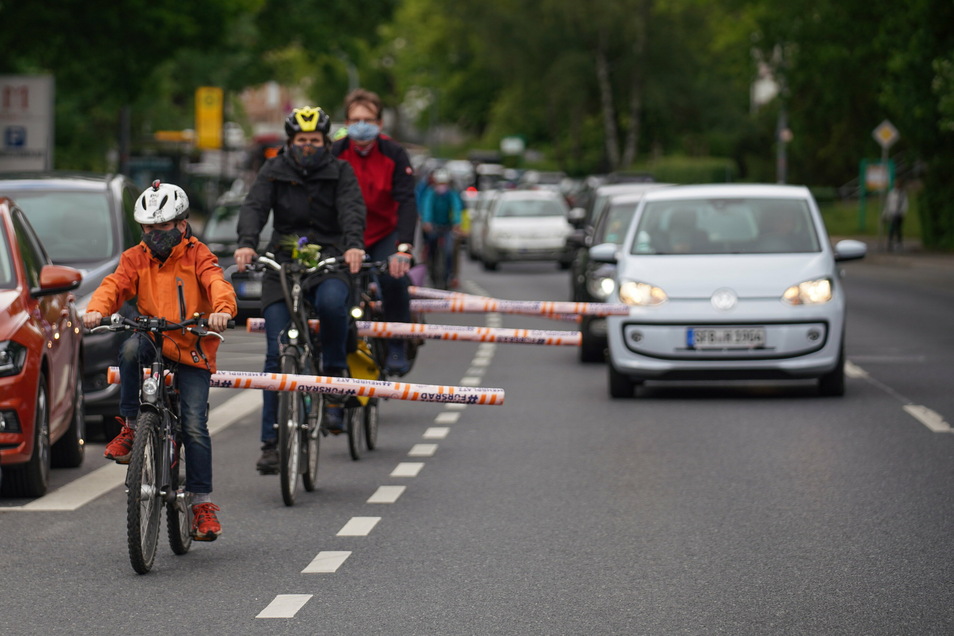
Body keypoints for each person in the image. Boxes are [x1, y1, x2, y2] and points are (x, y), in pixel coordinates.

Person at [82, 180, 236, 541]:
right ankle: (133, 426)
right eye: (148, 228)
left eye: (162, 227)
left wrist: (222, 311)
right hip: (152, 337)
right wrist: (95, 311)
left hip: (191, 346)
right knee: (130, 349)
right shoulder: (135, 257)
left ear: (182, 224)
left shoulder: (199, 254)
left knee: (195, 424)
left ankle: (201, 505)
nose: (154, 235)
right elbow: (113, 286)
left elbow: (217, 283)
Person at [234, 105, 366, 474]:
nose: (308, 146)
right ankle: (271, 444)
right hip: (284, 261)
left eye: (315, 140)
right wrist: (247, 242)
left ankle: (336, 379)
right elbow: (255, 206)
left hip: (329, 258)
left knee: (332, 303)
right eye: (301, 140)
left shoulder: (340, 171)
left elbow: (352, 209)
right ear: (290, 142)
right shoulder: (274, 170)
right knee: (276, 356)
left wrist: (353, 244)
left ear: (326, 142)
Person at [331, 88, 418, 375]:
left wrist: (404, 247)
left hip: (384, 233)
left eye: (367, 119)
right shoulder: (336, 152)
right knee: (333, 287)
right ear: (346, 122)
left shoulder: (394, 153)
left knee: (393, 278)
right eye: (355, 119)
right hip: (346, 235)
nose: (361, 125)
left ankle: (396, 344)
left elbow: (407, 201)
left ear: (379, 124)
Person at [419, 168, 463, 288]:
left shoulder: (451, 194)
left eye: (444, 184)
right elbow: (427, 207)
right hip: (434, 226)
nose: (442, 186)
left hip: (447, 227)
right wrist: (427, 222)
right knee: (431, 247)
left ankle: (450, 275)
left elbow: (456, 207)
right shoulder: (431, 193)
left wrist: (456, 222)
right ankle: (431, 269)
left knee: (449, 250)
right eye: (440, 183)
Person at [882, 177, 908, 251]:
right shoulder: (892, 193)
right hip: (892, 213)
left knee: (897, 228)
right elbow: (888, 204)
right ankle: (891, 242)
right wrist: (885, 214)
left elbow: (905, 204)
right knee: (892, 228)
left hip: (899, 214)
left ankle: (898, 242)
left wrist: (903, 213)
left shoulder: (902, 194)